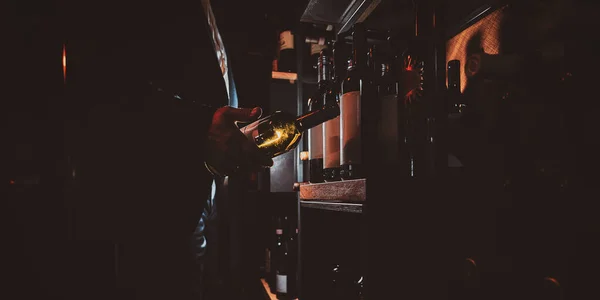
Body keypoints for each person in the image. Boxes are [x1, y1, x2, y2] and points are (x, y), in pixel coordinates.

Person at [59, 0, 275, 299]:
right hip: (142, 219)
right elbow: (96, 81)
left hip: (196, 223)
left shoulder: (213, 17)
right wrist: (200, 128)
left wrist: (236, 143)